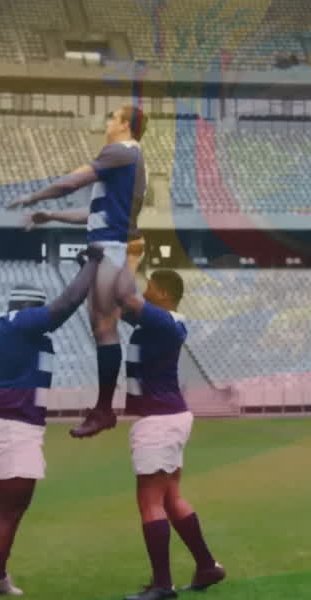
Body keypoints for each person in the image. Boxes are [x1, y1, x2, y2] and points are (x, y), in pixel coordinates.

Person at [9, 104, 148, 438]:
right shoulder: (129, 160)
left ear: (126, 124)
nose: (108, 121)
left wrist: (34, 196)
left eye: (112, 117)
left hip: (111, 247)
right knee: (108, 323)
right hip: (111, 243)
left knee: (106, 325)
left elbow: (73, 182)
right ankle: (108, 407)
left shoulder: (120, 151)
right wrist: (52, 216)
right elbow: (94, 214)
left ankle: (105, 409)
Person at [0, 247, 102, 600]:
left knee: (15, 508)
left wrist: (86, 273)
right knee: (9, 509)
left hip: (20, 425)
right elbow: (61, 308)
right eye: (38, 310)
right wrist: (92, 263)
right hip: (13, 426)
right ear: (28, 308)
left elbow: (72, 305)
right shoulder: (18, 322)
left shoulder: (23, 331)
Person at [111, 240, 224, 600]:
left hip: (158, 420)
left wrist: (131, 258)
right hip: (168, 416)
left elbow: (126, 300)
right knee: (171, 497)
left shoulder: (163, 322)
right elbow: (120, 304)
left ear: (161, 292)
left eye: (150, 287)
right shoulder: (161, 323)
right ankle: (207, 566)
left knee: (150, 502)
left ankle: (162, 585)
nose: (144, 292)